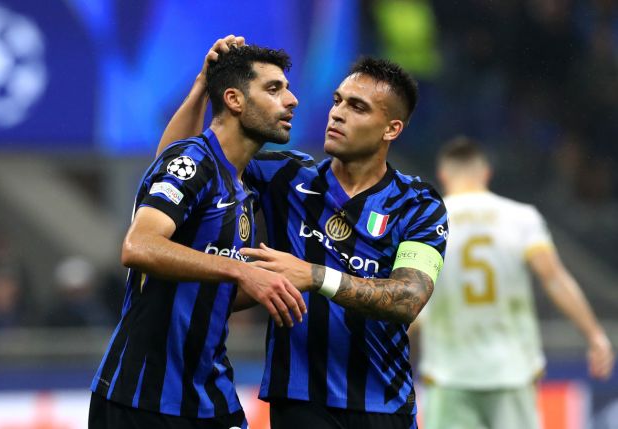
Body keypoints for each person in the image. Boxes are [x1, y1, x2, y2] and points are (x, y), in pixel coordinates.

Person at [158, 39, 448, 429]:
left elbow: (408, 299)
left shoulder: (418, 203)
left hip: (383, 406)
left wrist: (313, 275)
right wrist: (201, 88)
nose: (337, 114)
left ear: (391, 129)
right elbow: (176, 168)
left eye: (357, 107)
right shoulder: (286, 176)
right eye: (338, 100)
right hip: (298, 403)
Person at [89, 37, 307, 429]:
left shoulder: (241, 186)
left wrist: (275, 283)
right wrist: (242, 271)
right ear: (235, 100)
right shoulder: (195, 162)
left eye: (288, 89)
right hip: (140, 397)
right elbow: (138, 246)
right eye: (274, 89)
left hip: (209, 393)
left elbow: (206, 287)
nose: (290, 100)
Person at [415, 136, 615, 429]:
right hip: (512, 370)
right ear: (485, 173)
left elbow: (412, 300)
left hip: (449, 374)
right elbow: (555, 279)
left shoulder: (426, 222)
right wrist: (595, 336)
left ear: (444, 175)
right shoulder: (521, 218)